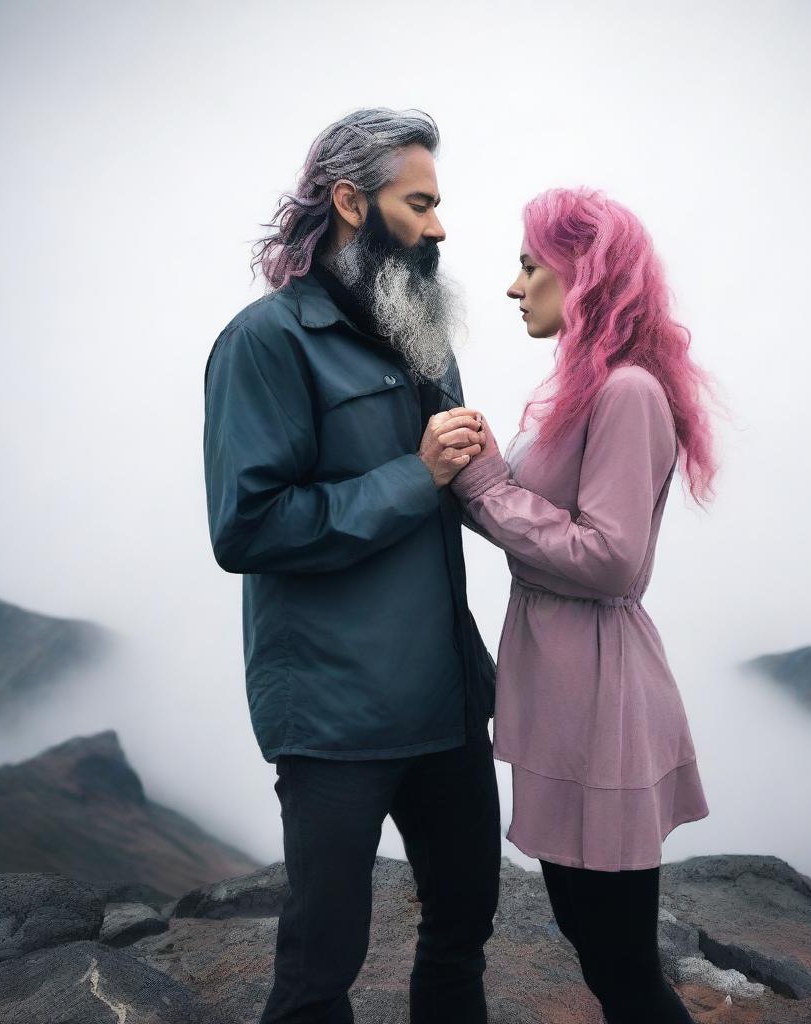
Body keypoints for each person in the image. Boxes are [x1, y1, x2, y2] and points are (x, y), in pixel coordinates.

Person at [202, 107, 501, 1024]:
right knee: (321, 968)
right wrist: (414, 477)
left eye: (439, 204)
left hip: (446, 705)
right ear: (349, 202)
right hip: (333, 722)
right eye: (420, 203)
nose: (441, 226)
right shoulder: (265, 342)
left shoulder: (425, 338)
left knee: (463, 929)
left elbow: (457, 487)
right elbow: (245, 526)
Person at [442, 186, 719, 1023]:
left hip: (601, 699)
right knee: (596, 946)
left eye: (531, 266)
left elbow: (611, 558)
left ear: (583, 275)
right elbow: (535, 521)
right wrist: (480, 470)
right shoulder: (584, 386)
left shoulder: (627, 392)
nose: (514, 286)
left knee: (622, 966)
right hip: (564, 691)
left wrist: (486, 484)